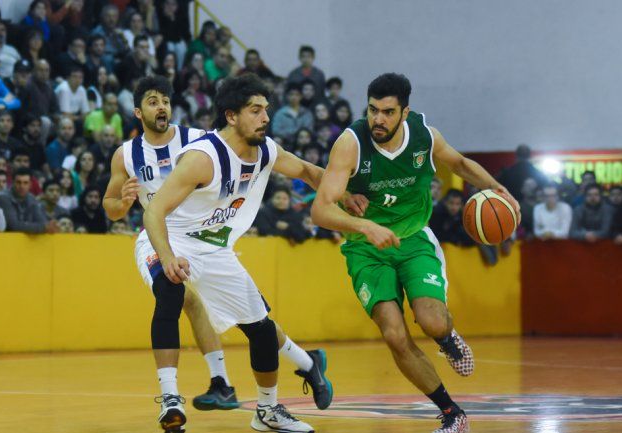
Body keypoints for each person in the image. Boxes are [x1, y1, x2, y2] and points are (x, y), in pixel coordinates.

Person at [130, 75, 347, 432]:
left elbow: (309, 172)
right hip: (171, 239)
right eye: (256, 110)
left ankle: (267, 411)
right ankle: (170, 399)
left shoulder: (266, 151)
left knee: (261, 330)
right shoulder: (203, 159)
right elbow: (153, 212)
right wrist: (167, 257)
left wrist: (348, 193)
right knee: (170, 292)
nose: (265, 118)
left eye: (266, 110)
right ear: (231, 116)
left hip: (215, 250)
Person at [311, 73, 520, 433]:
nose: (378, 119)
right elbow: (320, 210)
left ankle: (445, 339)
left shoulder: (425, 135)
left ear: (404, 112)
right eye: (373, 110)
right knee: (393, 334)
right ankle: (452, 412)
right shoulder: (351, 143)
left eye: (388, 112)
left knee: (433, 320)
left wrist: (499, 189)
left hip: (413, 239)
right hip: (366, 249)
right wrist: (367, 227)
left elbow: (460, 164)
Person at [0, 167, 58, 234]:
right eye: (18, 182)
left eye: (25, 183)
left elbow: (42, 221)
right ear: (13, 183)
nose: (22, 186)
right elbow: (14, 226)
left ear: (30, 185)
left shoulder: (31, 198)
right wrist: (43, 227)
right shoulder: (3, 197)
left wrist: (47, 226)